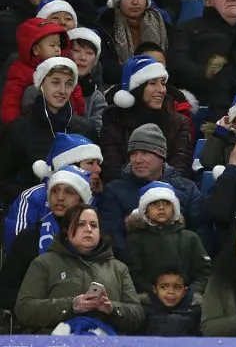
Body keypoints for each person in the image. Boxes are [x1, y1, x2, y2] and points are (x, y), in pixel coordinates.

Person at [15, 203, 145, 334]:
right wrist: (70, 306)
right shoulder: (44, 263)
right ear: (66, 229)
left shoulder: (118, 268)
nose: (88, 229)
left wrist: (112, 309)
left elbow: (137, 315)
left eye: (94, 225)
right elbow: (23, 310)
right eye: (81, 224)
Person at [99, 123, 207, 257]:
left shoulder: (187, 189)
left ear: (161, 155)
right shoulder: (114, 190)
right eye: (133, 154)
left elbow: (200, 236)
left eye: (144, 153)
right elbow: (112, 236)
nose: (137, 160)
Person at [0, 57, 94, 203]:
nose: (62, 90)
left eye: (69, 84)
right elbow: (4, 180)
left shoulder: (85, 129)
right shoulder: (18, 130)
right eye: (55, 82)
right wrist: (34, 198)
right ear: (41, 84)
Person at [0, 165, 93, 310]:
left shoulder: (95, 237)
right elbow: (5, 291)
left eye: (69, 192)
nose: (60, 197)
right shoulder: (30, 238)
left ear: (82, 199)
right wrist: (46, 305)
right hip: (38, 321)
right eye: (54, 191)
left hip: (88, 318)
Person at [99, 55, 192, 179]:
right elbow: (112, 171)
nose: (161, 90)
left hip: (165, 192)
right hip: (126, 191)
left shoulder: (178, 123)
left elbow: (180, 170)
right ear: (137, 88)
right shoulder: (114, 119)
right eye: (153, 83)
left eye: (163, 83)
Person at [124, 180, 211, 294]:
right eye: (154, 204)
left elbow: (204, 271)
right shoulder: (135, 240)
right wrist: (154, 292)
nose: (161, 208)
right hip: (149, 302)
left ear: (175, 207)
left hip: (187, 301)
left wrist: (189, 292)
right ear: (145, 210)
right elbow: (133, 275)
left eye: (166, 203)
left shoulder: (190, 238)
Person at [93, 0, 171, 83]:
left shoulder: (161, 22)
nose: (135, 2)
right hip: (118, 85)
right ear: (118, 1)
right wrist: (137, 72)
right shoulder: (104, 25)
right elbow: (104, 67)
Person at [141, 266, 202, 336]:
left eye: (176, 287)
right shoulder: (144, 311)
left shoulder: (196, 311)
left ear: (184, 292)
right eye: (164, 287)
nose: (171, 292)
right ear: (155, 289)